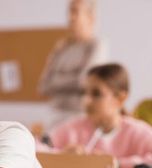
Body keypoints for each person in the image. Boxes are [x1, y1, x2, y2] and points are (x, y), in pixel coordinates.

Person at [38, 0, 108, 130]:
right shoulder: (61, 47)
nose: (71, 17)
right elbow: (43, 85)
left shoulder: (96, 45)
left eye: (76, 11)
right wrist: (73, 78)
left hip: (80, 116)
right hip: (54, 115)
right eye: (69, 12)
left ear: (90, 15)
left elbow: (84, 81)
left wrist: (57, 79)